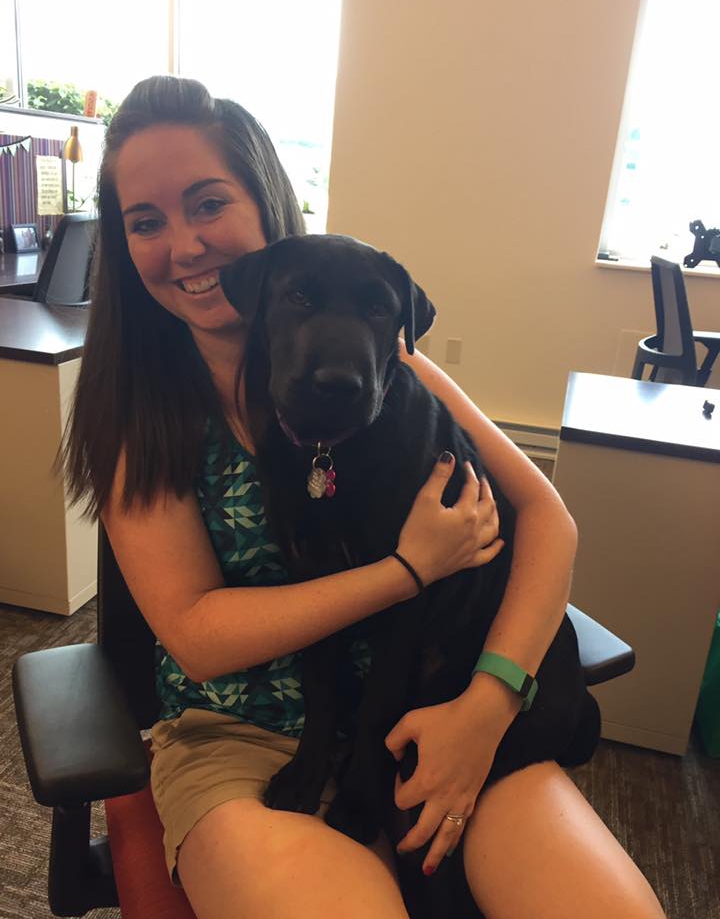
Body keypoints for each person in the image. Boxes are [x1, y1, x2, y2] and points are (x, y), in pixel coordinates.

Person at [63, 75, 666, 919]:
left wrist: (487, 705)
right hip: (241, 734)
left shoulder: (392, 373)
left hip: (435, 708)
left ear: (265, 204)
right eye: (145, 222)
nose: (186, 245)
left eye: (208, 204)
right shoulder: (144, 418)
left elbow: (547, 520)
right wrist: (407, 570)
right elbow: (197, 635)